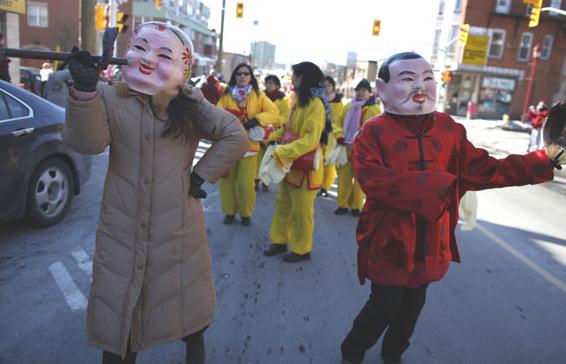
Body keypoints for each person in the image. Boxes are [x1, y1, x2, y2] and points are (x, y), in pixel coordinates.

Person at [340, 52, 556, 364]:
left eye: (427, 78)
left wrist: (541, 160)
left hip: (431, 240)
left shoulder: (448, 129)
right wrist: (441, 186)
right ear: (383, 88)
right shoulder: (373, 131)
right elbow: (374, 181)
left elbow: (486, 169)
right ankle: (353, 351)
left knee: (413, 306)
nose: (420, 87)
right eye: (408, 78)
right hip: (390, 240)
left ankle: (393, 355)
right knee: (384, 304)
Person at [63, 22, 249, 364]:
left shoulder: (190, 104)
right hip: (122, 232)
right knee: (121, 326)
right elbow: (86, 143)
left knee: (189, 319)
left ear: (184, 66)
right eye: (141, 47)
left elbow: (236, 136)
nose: (148, 58)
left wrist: (200, 175)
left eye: (163, 54)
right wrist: (85, 93)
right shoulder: (110, 96)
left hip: (178, 233)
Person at [263, 61, 327, 263]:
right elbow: (289, 129)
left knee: (302, 213)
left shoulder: (315, 105)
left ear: (304, 78)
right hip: (290, 164)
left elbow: (310, 139)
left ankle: (302, 250)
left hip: (304, 168)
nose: (293, 79)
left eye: (295, 76)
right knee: (283, 205)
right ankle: (279, 241)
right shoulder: (297, 101)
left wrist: (284, 151)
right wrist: (274, 137)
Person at [217, 63, 278, 226]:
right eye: (238, 74)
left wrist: (257, 119)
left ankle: (246, 213)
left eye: (245, 74)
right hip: (229, 146)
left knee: (245, 185)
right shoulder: (226, 95)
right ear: (234, 76)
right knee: (226, 182)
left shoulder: (259, 96)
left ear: (251, 77)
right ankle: (229, 212)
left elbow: (274, 112)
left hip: (249, 148)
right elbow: (217, 113)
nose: (242, 77)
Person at [333, 79, 381, 217]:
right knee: (343, 178)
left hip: (362, 151)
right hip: (345, 146)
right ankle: (342, 205)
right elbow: (338, 123)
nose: (360, 93)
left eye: (363, 90)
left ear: (369, 93)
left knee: (360, 180)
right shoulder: (349, 106)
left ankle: (356, 207)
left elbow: (376, 131)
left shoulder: (374, 109)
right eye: (358, 90)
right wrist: (339, 135)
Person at [256, 74, 290, 192]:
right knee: (257, 157)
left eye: (272, 83)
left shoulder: (283, 99)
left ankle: (266, 181)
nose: (269, 86)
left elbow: (286, 116)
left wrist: (274, 121)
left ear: (277, 85)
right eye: (267, 83)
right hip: (260, 131)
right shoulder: (260, 96)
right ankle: (256, 180)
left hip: (275, 132)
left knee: (269, 158)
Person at [319, 75, 345, 197]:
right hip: (319, 134)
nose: (326, 88)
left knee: (329, 163)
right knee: (318, 160)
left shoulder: (338, 103)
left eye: (328, 86)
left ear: (333, 87)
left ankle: (325, 187)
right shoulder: (318, 100)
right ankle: (318, 184)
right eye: (324, 86)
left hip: (331, 135)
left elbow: (340, 120)